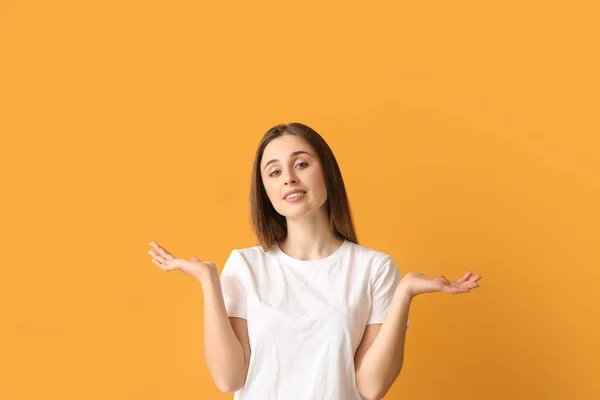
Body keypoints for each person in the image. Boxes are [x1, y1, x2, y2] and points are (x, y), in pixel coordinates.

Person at [148, 122, 482, 400]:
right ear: (265, 191)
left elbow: (371, 386)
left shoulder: (374, 269)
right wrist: (210, 282)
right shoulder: (246, 266)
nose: (289, 178)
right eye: (274, 172)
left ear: (327, 172)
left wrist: (405, 292)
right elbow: (228, 379)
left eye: (301, 164)